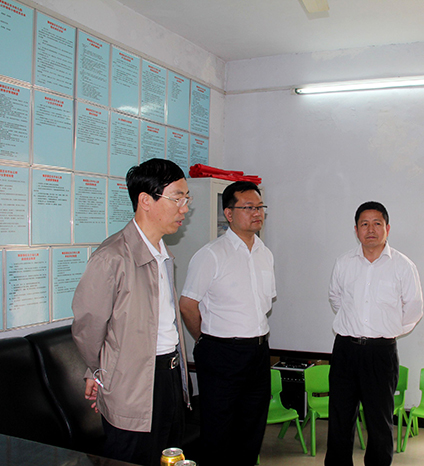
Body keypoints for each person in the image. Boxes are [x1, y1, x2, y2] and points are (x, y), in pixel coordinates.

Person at [72, 159, 192, 466]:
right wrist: (101, 373)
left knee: (169, 457)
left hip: (170, 375)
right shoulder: (112, 257)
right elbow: (88, 328)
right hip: (134, 384)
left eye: (186, 199)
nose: (184, 209)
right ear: (145, 201)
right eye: (177, 198)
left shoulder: (163, 253)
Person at [179, 180, 274, 466]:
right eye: (249, 207)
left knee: (252, 427)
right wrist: (205, 339)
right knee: (219, 431)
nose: (257, 213)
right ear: (229, 214)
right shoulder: (211, 254)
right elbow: (187, 305)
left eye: (260, 207)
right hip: (221, 353)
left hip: (258, 352)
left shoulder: (265, 253)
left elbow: (264, 304)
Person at [325, 201, 423, 466]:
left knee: (379, 422)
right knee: (339, 419)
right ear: (356, 230)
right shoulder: (343, 263)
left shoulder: (403, 266)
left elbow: (414, 308)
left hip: (381, 353)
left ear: (387, 228)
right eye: (364, 224)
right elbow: (336, 299)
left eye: (377, 223)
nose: (371, 230)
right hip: (345, 350)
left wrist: (387, 331)